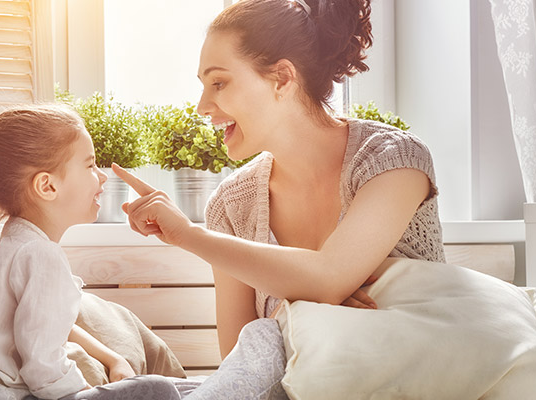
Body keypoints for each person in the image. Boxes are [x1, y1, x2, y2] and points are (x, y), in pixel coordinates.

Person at [114, 0, 445, 396]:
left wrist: (187, 235)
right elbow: (241, 368)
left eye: (218, 83)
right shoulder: (231, 204)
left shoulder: (392, 160)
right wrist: (314, 314)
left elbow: (328, 277)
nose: (203, 107)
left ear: (282, 78)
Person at [0, 105, 182, 400]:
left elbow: (50, 326)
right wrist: (89, 393)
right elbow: (43, 369)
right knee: (160, 389)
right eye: (90, 165)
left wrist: (114, 359)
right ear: (47, 185)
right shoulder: (41, 255)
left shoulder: (16, 246)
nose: (102, 177)